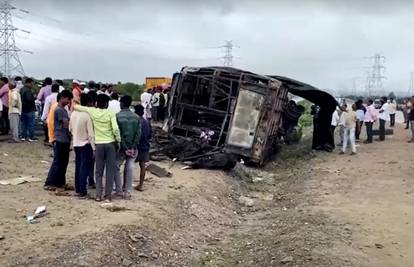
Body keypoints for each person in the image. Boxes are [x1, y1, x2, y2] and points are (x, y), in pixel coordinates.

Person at [74, 94, 121, 202]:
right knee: (110, 171)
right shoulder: (110, 113)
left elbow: (76, 107)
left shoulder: (92, 111)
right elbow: (115, 129)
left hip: (98, 144)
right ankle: (108, 196)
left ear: (97, 103)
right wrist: (118, 141)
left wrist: (77, 101)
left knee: (98, 171)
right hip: (110, 144)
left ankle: (98, 195)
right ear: (106, 104)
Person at [44, 90, 73, 191]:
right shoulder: (59, 110)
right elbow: (66, 124)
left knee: (63, 162)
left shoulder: (63, 110)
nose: (69, 102)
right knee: (58, 162)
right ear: (63, 98)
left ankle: (60, 182)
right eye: (68, 99)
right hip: (60, 139)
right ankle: (50, 182)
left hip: (64, 139)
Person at [69, 93, 95, 198]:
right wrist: (94, 149)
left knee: (78, 167)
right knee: (84, 168)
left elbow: (70, 129)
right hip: (86, 144)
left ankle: (78, 189)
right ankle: (83, 191)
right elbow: (91, 135)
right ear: (89, 103)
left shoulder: (74, 114)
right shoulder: (87, 116)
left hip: (76, 143)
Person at [115, 95, 141, 199]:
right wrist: (132, 147)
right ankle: (128, 191)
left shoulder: (117, 116)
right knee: (130, 168)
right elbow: (138, 134)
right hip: (133, 148)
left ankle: (118, 190)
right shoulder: (136, 117)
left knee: (116, 166)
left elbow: (119, 134)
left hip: (122, 148)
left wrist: (125, 148)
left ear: (121, 103)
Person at [134, 104, 151, 191]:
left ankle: (125, 185)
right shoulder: (147, 122)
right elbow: (150, 135)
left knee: (129, 164)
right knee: (142, 165)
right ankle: (140, 185)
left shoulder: (136, 121)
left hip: (137, 146)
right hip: (145, 146)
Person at [20, 78, 37, 142]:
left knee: (23, 124)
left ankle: (23, 136)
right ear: (29, 83)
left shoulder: (21, 89)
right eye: (32, 83)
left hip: (23, 109)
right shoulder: (28, 90)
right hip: (30, 109)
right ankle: (31, 137)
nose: (32, 85)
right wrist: (34, 97)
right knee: (31, 124)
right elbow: (29, 99)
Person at [38, 77, 53, 143]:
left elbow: (39, 97)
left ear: (45, 82)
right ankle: (52, 136)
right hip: (54, 106)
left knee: (45, 121)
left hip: (45, 105)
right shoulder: (53, 88)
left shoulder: (43, 89)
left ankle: (47, 137)